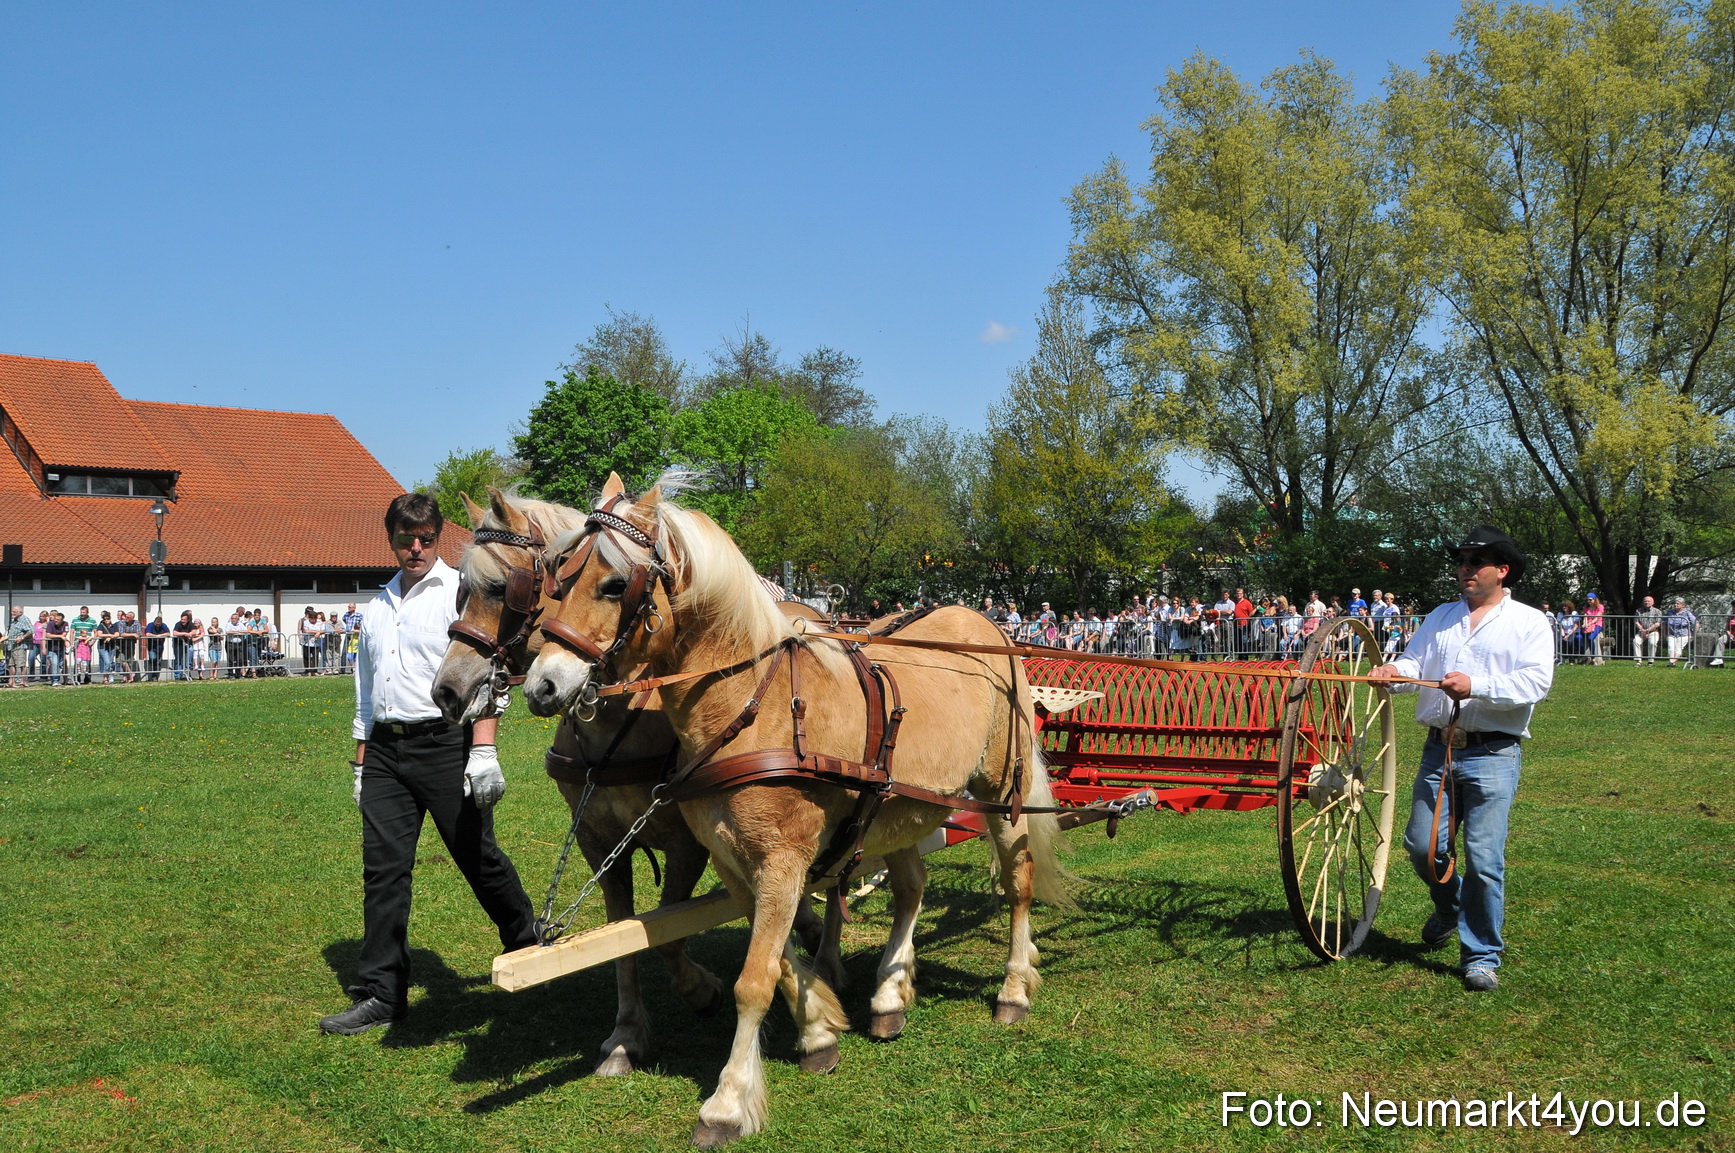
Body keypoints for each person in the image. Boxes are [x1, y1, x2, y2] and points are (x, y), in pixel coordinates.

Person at [320, 492, 537, 1035]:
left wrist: (483, 751)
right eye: (405, 538)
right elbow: (367, 691)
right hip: (387, 752)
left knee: (476, 857)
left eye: (426, 539)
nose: (415, 548)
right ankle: (382, 992)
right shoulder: (377, 606)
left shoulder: (458, 592)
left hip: (445, 742)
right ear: (389, 537)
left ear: (438, 538)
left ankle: (528, 944)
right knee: (384, 871)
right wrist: (361, 761)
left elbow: (488, 670)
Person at [1369, 526, 1553, 992]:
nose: (1465, 570)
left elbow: (1536, 685)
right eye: (1462, 562)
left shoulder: (1529, 622)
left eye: (1476, 562)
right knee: (1420, 846)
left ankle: (1481, 956)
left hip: (1494, 752)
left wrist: (1478, 685)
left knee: (1484, 859)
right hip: (1439, 750)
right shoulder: (1442, 616)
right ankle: (1450, 908)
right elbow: (1416, 665)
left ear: (1502, 570)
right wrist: (1394, 673)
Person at [1665, 597, 1698, 668]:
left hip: (1684, 634)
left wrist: (1694, 633)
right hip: (1671, 633)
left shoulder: (1687, 613)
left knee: (1678, 648)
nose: (1675, 605)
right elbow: (1664, 622)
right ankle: (1672, 662)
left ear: (1683, 605)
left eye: (1678, 603)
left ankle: (1671, 662)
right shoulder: (1670, 612)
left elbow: (1696, 622)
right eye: (1675, 603)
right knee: (1671, 647)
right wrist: (1665, 632)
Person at [1633, 596, 1663, 666]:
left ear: (1652, 602)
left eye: (1648, 601)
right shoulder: (1638, 611)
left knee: (1652, 643)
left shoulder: (1657, 611)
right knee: (1636, 641)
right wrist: (1642, 630)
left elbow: (1657, 623)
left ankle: (1650, 661)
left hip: (1653, 632)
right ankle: (1638, 661)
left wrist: (1647, 631)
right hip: (1641, 631)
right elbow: (1636, 622)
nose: (1647, 602)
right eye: (1645, 601)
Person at [5, 606, 30, 687]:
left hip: (20, 646)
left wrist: (22, 637)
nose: (12, 613)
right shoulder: (13, 621)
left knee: (21, 664)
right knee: (11, 664)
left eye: (14, 612)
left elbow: (31, 630)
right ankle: (11, 681)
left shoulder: (24, 619)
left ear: (20, 612)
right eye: (12, 611)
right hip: (11, 646)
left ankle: (23, 681)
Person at [143, 614, 170, 679]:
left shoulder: (164, 625)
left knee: (158, 661)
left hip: (160, 646)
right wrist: (157, 636)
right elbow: (147, 634)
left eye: (159, 624)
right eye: (157, 624)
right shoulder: (150, 625)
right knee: (153, 658)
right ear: (154, 622)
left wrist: (158, 636)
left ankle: (155, 676)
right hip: (151, 646)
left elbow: (168, 633)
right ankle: (152, 667)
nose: (158, 625)